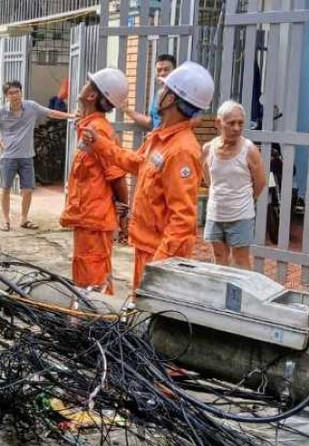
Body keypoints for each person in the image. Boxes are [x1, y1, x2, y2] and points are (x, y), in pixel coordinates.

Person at [81, 61, 215, 290]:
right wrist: (100, 144)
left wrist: (159, 268)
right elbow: (136, 163)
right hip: (147, 246)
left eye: (164, 89)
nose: (159, 93)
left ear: (171, 99)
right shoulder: (161, 137)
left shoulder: (182, 150)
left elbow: (182, 220)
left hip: (159, 255)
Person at [60, 68, 130, 295]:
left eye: (88, 82)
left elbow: (117, 176)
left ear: (92, 96)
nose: (84, 84)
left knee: (93, 280)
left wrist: (123, 211)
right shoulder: (88, 127)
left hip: (95, 220)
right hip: (88, 219)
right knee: (86, 277)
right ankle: (90, 321)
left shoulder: (99, 131)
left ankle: (97, 324)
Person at [0, 81, 77, 232]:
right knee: (5, 189)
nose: (15, 96)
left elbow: (50, 112)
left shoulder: (31, 107)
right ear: (6, 96)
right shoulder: (1, 112)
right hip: (8, 157)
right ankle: (6, 220)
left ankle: (24, 219)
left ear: (21, 92)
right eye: (11, 93)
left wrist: (71, 116)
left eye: (17, 92)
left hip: (27, 156)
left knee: (27, 189)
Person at [202, 100, 266, 269]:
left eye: (240, 123)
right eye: (231, 123)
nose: (237, 128)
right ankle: (221, 294)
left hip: (240, 214)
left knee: (241, 260)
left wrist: (247, 200)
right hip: (215, 213)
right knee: (219, 257)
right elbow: (207, 177)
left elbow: (260, 182)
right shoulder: (208, 149)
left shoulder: (249, 149)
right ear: (218, 123)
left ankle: (242, 295)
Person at [123, 54, 176, 131]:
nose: (162, 73)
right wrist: (126, 109)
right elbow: (151, 122)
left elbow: (195, 119)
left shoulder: (182, 94)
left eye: (166, 69)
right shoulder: (159, 94)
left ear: (175, 71)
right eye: (159, 70)